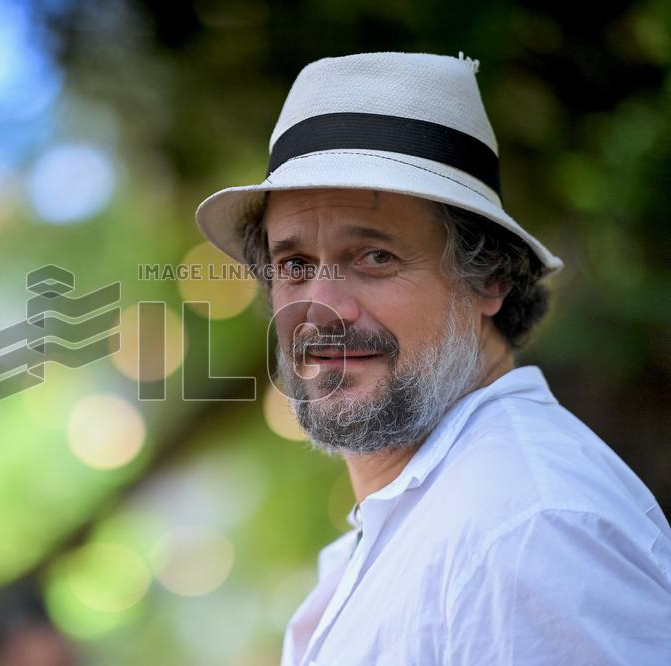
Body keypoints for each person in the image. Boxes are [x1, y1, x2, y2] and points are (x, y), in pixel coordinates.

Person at [194, 52, 671, 665]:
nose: (322, 311)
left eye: (374, 257)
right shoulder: (434, 520)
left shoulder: (524, 530)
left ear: (488, 276)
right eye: (295, 266)